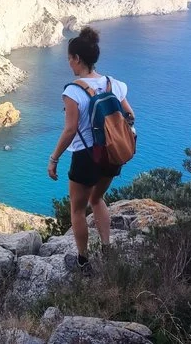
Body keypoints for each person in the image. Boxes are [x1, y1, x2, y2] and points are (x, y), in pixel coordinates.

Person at [47, 26, 135, 272]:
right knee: (97, 198)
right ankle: (107, 249)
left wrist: (54, 159)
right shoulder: (113, 84)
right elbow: (130, 115)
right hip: (111, 154)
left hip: (86, 156)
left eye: (69, 58)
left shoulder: (72, 91)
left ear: (77, 58)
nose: (68, 63)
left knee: (77, 209)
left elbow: (70, 130)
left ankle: (83, 261)